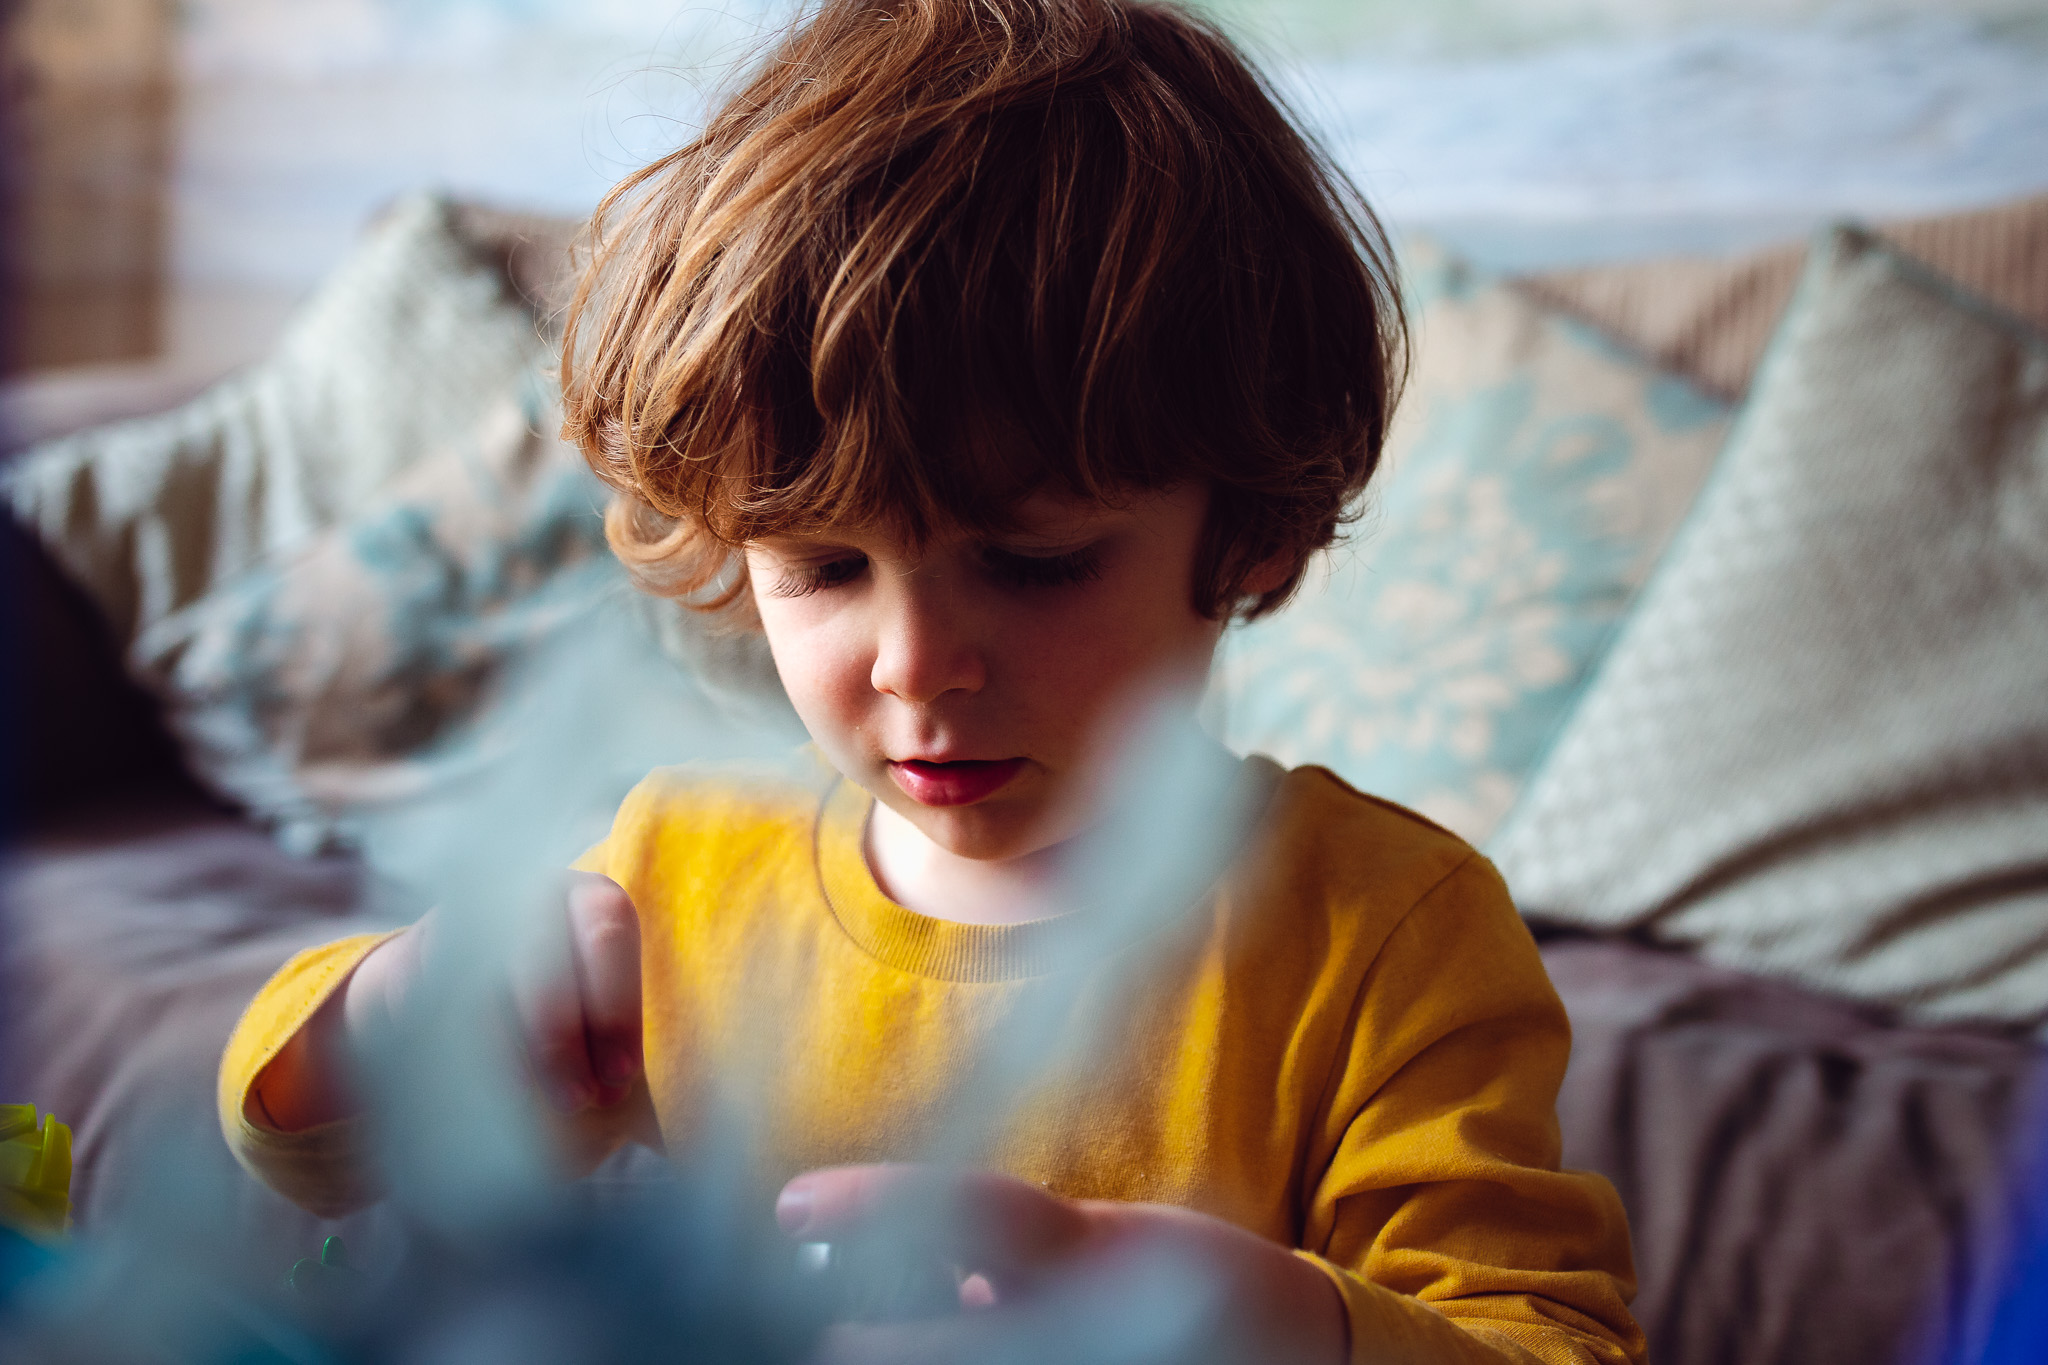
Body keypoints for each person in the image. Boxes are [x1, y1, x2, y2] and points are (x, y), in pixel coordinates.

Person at [218, 2, 1645, 1361]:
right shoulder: (680, 864)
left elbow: (1547, 1343)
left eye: (1032, 563)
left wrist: (1249, 1319)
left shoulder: (1386, 934)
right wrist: (396, 1015)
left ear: (1252, 526)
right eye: (824, 568)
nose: (914, 666)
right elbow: (308, 1150)